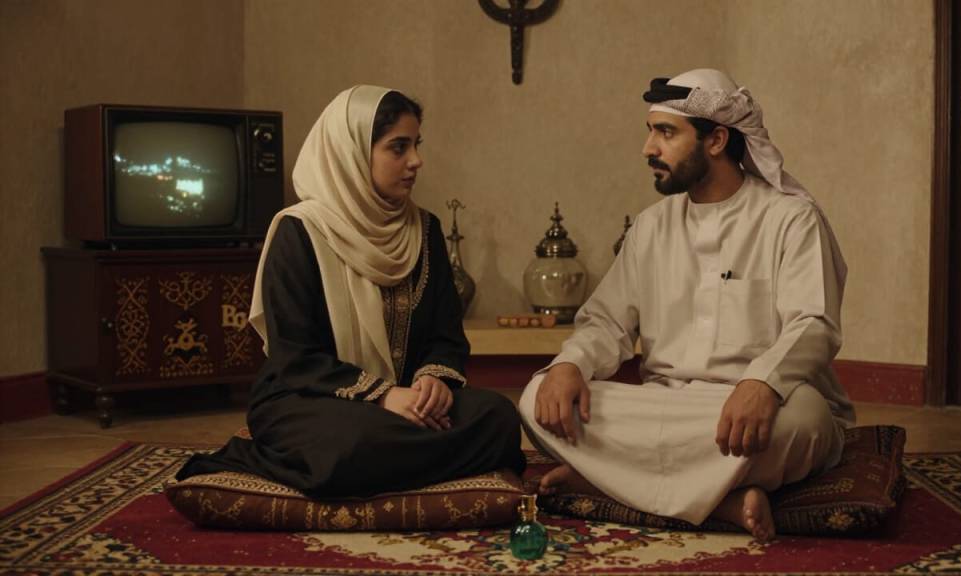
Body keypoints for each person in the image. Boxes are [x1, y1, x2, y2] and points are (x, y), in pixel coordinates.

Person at [519, 69, 854, 542]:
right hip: (668, 407)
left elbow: (813, 322)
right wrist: (571, 363)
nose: (648, 148)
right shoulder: (651, 226)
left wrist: (763, 382)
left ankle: (608, 483)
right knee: (538, 397)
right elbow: (607, 322)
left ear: (716, 140)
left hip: (756, 408)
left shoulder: (790, 219)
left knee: (807, 420)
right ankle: (725, 502)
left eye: (665, 132)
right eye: (650, 132)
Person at [176, 85, 526, 497]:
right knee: (350, 447)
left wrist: (434, 380)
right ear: (353, 153)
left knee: (499, 418)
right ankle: (296, 458)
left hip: (408, 402)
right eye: (399, 147)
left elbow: (445, 335)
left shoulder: (425, 230)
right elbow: (295, 357)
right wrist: (383, 397)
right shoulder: (300, 231)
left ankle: (360, 466)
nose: (416, 160)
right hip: (308, 399)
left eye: (416, 145)